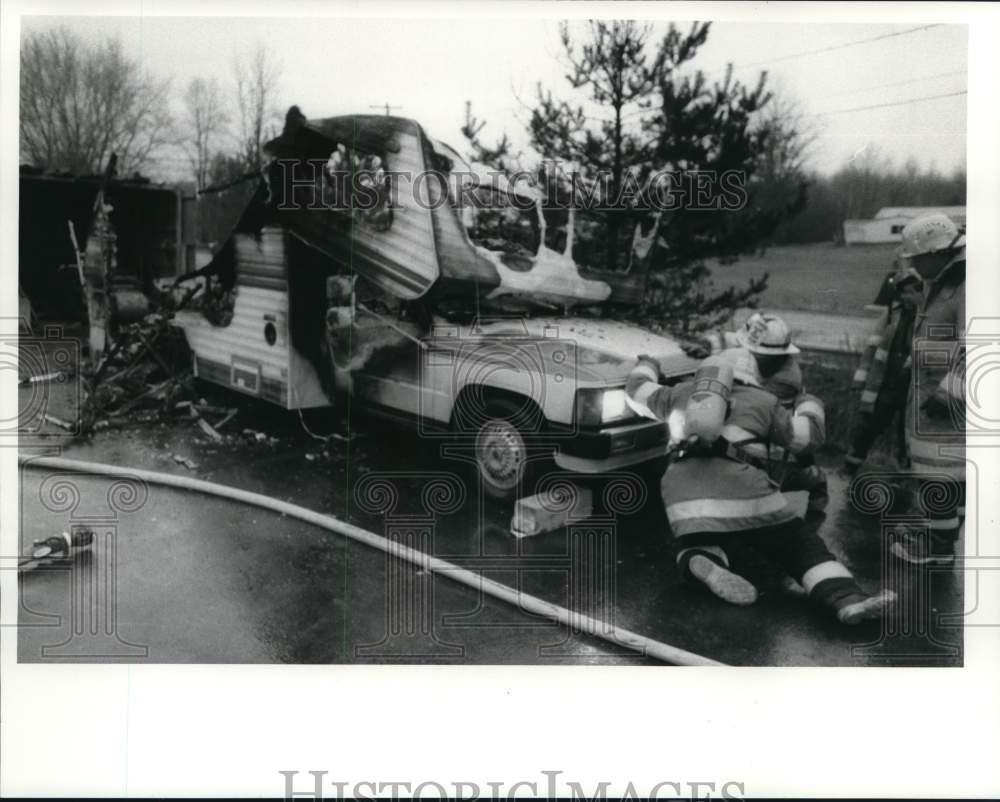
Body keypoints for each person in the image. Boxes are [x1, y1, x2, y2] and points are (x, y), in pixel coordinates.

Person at [626, 351, 896, 623]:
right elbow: (808, 438)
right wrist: (809, 402)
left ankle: (699, 557)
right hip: (743, 491)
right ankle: (846, 598)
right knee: (798, 546)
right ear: (753, 376)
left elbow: (635, 390)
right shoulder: (764, 401)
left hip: (682, 501)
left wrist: (648, 364)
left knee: (701, 536)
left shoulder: (677, 394)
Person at [889, 214, 966, 566]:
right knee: (943, 474)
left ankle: (938, 549)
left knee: (942, 476)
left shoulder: (966, 284)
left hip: (945, 400)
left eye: (918, 257)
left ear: (937, 252)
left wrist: (951, 391)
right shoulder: (944, 281)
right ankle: (941, 537)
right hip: (933, 393)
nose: (915, 264)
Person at [842, 266, 923, 476]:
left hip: (912, 389)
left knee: (907, 436)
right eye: (903, 292)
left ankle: (905, 478)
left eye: (911, 292)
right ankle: (850, 468)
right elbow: (872, 348)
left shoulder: (929, 317)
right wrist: (860, 379)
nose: (906, 297)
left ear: (922, 292)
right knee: (868, 428)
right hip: (886, 384)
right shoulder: (891, 315)